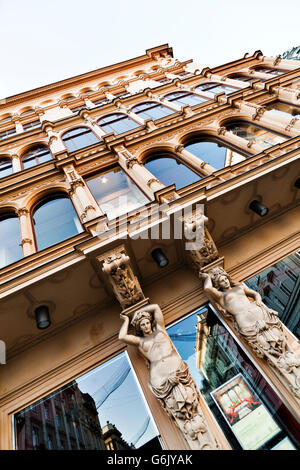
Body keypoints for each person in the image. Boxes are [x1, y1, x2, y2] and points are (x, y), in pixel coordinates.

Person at [119, 304, 218, 449]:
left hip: (178, 374)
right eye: (142, 325)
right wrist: (126, 320)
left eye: (147, 322)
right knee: (178, 410)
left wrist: (141, 308)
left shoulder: (161, 330)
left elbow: (157, 308)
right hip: (161, 381)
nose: (146, 326)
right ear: (139, 328)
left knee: (189, 405)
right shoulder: (140, 342)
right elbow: (122, 336)